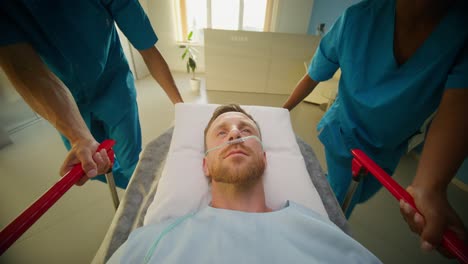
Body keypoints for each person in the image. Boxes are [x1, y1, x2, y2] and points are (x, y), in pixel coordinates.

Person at [282, 0, 467, 256]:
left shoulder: (461, 30)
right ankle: (314, 244)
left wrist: (431, 186)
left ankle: (320, 198)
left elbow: (459, 102)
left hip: (388, 149)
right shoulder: (356, 20)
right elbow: (314, 74)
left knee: (355, 194)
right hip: (345, 135)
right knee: (339, 201)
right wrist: (282, 110)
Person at [107, 104, 381, 263]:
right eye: (222, 132)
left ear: (264, 157)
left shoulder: (318, 231)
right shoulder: (155, 243)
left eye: (246, 129)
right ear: (205, 164)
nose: (235, 133)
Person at [0, 0, 184, 188]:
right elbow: (25, 69)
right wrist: (80, 138)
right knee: (95, 168)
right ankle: (140, 189)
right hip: (66, 102)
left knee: (131, 162)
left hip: (114, 86)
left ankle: (148, 192)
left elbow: (148, 51)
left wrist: (180, 105)